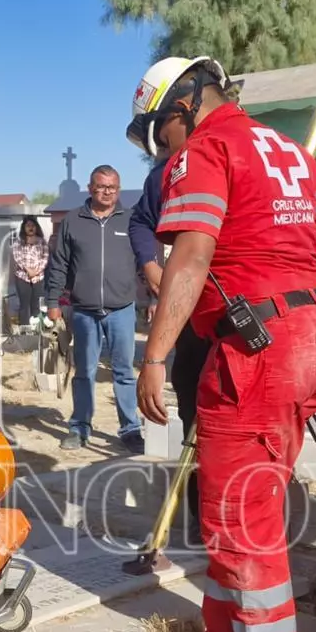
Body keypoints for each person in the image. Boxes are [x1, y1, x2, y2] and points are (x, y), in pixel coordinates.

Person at [132, 56, 316, 632]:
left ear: (181, 106)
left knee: (240, 523)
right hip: (306, 336)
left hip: (256, 347)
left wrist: (155, 356)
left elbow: (190, 258)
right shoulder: (290, 150)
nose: (163, 152)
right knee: (247, 508)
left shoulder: (206, 150)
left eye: (159, 133)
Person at [131, 146, 209, 541]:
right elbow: (142, 220)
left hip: (246, 314)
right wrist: (150, 264)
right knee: (197, 417)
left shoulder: (248, 155)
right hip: (194, 319)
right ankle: (201, 514)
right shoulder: (169, 171)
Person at [45, 165, 144, 453]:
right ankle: (79, 428)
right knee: (84, 372)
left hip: (122, 310)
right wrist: (53, 302)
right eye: (101, 187)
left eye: (112, 187)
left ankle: (130, 430)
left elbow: (145, 260)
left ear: (119, 188)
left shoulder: (131, 219)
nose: (107, 192)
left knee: (124, 371)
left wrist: (153, 297)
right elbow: (59, 264)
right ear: (90, 188)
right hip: (85, 311)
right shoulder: (73, 221)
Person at [10, 215, 48, 330]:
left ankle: (36, 329)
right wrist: (28, 270)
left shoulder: (42, 242)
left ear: (36, 227)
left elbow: (45, 257)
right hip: (22, 276)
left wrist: (37, 271)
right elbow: (17, 257)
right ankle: (25, 330)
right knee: (24, 304)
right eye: (28, 226)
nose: (30, 228)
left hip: (38, 277)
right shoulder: (18, 242)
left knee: (36, 304)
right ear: (24, 228)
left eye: (33, 226)